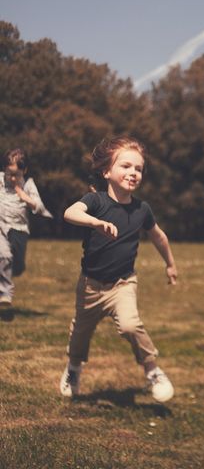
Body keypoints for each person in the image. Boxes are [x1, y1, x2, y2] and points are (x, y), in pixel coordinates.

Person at [59, 136, 178, 403]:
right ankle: (74, 369)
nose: (133, 173)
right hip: (90, 286)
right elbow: (70, 213)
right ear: (106, 172)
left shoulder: (142, 209)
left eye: (138, 169)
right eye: (126, 166)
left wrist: (170, 264)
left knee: (130, 326)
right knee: (80, 332)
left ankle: (153, 371)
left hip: (123, 284)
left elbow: (159, 236)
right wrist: (95, 223)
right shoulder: (95, 201)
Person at [0, 148, 52, 307]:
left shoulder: (28, 185)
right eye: (9, 173)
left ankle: (6, 275)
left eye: (17, 174)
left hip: (19, 230)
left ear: (25, 171)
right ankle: (5, 293)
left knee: (18, 267)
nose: (13, 178)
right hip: (1, 227)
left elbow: (40, 208)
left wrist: (26, 198)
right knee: (4, 256)